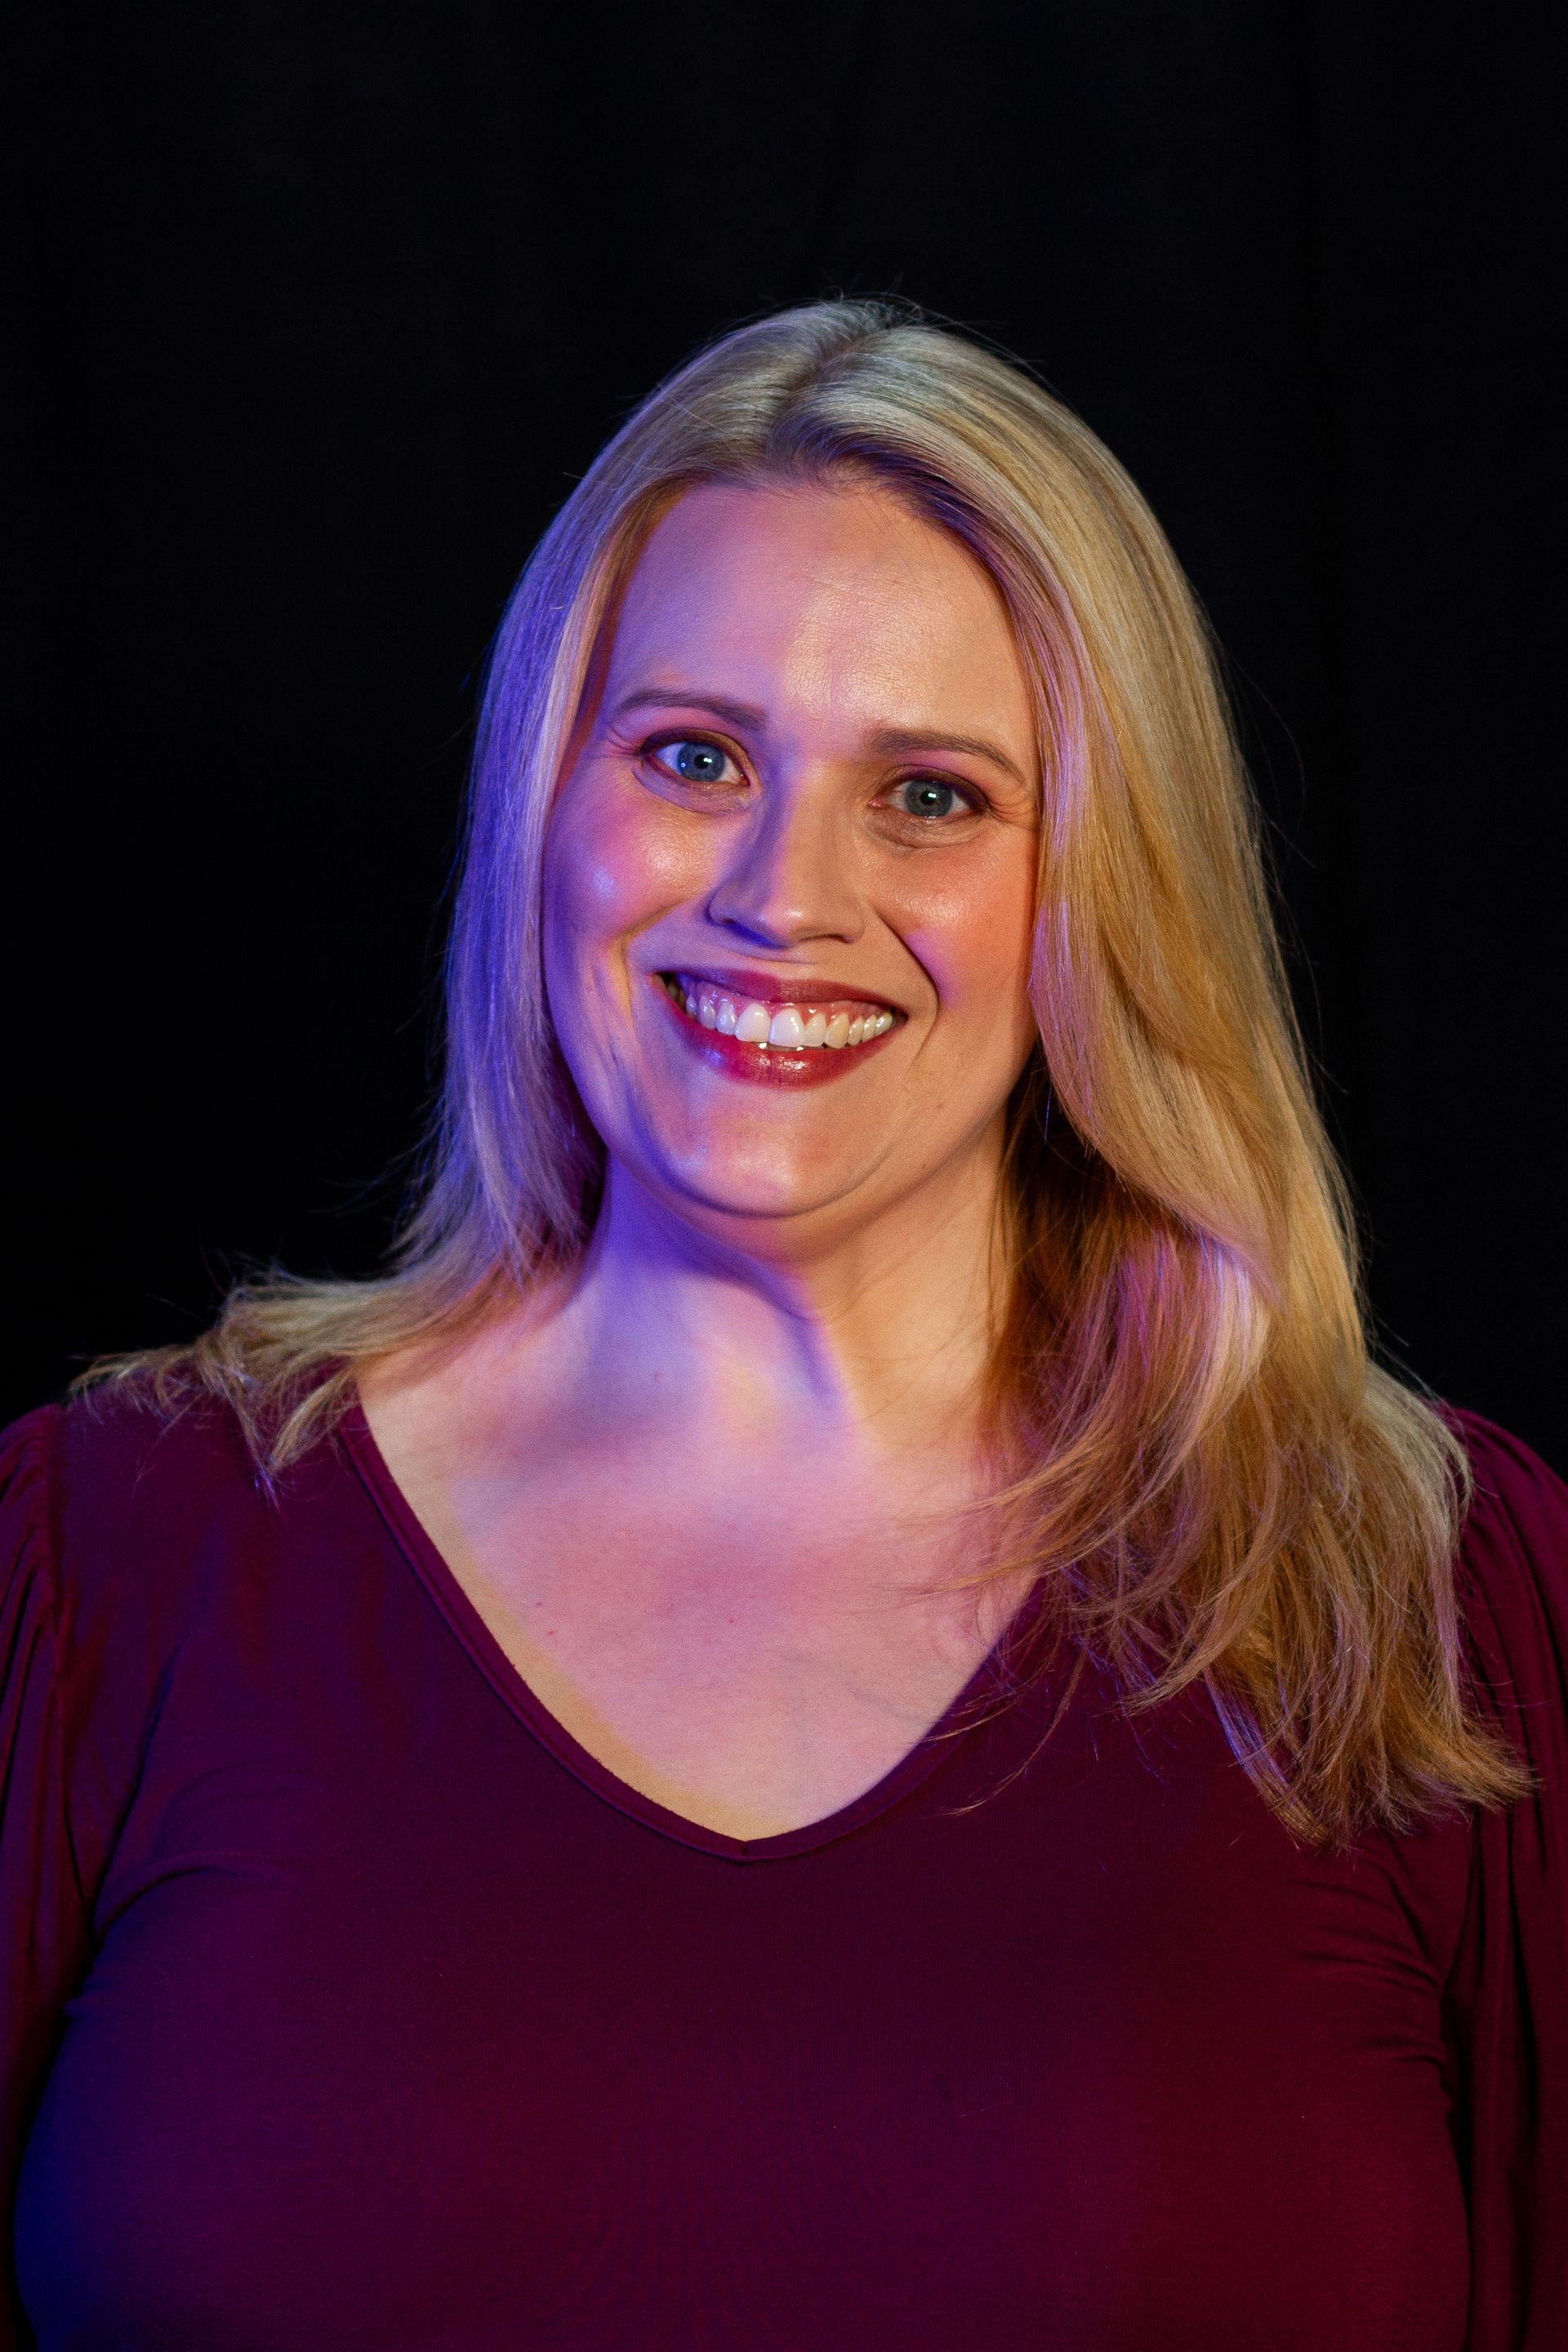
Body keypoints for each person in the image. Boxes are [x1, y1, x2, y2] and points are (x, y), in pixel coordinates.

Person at [2, 299, 1563, 2352]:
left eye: (930, 796)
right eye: (693, 754)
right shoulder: (108, 1546)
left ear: (1105, 892)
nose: (779, 895)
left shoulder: (1433, 1603)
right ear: (549, 807)